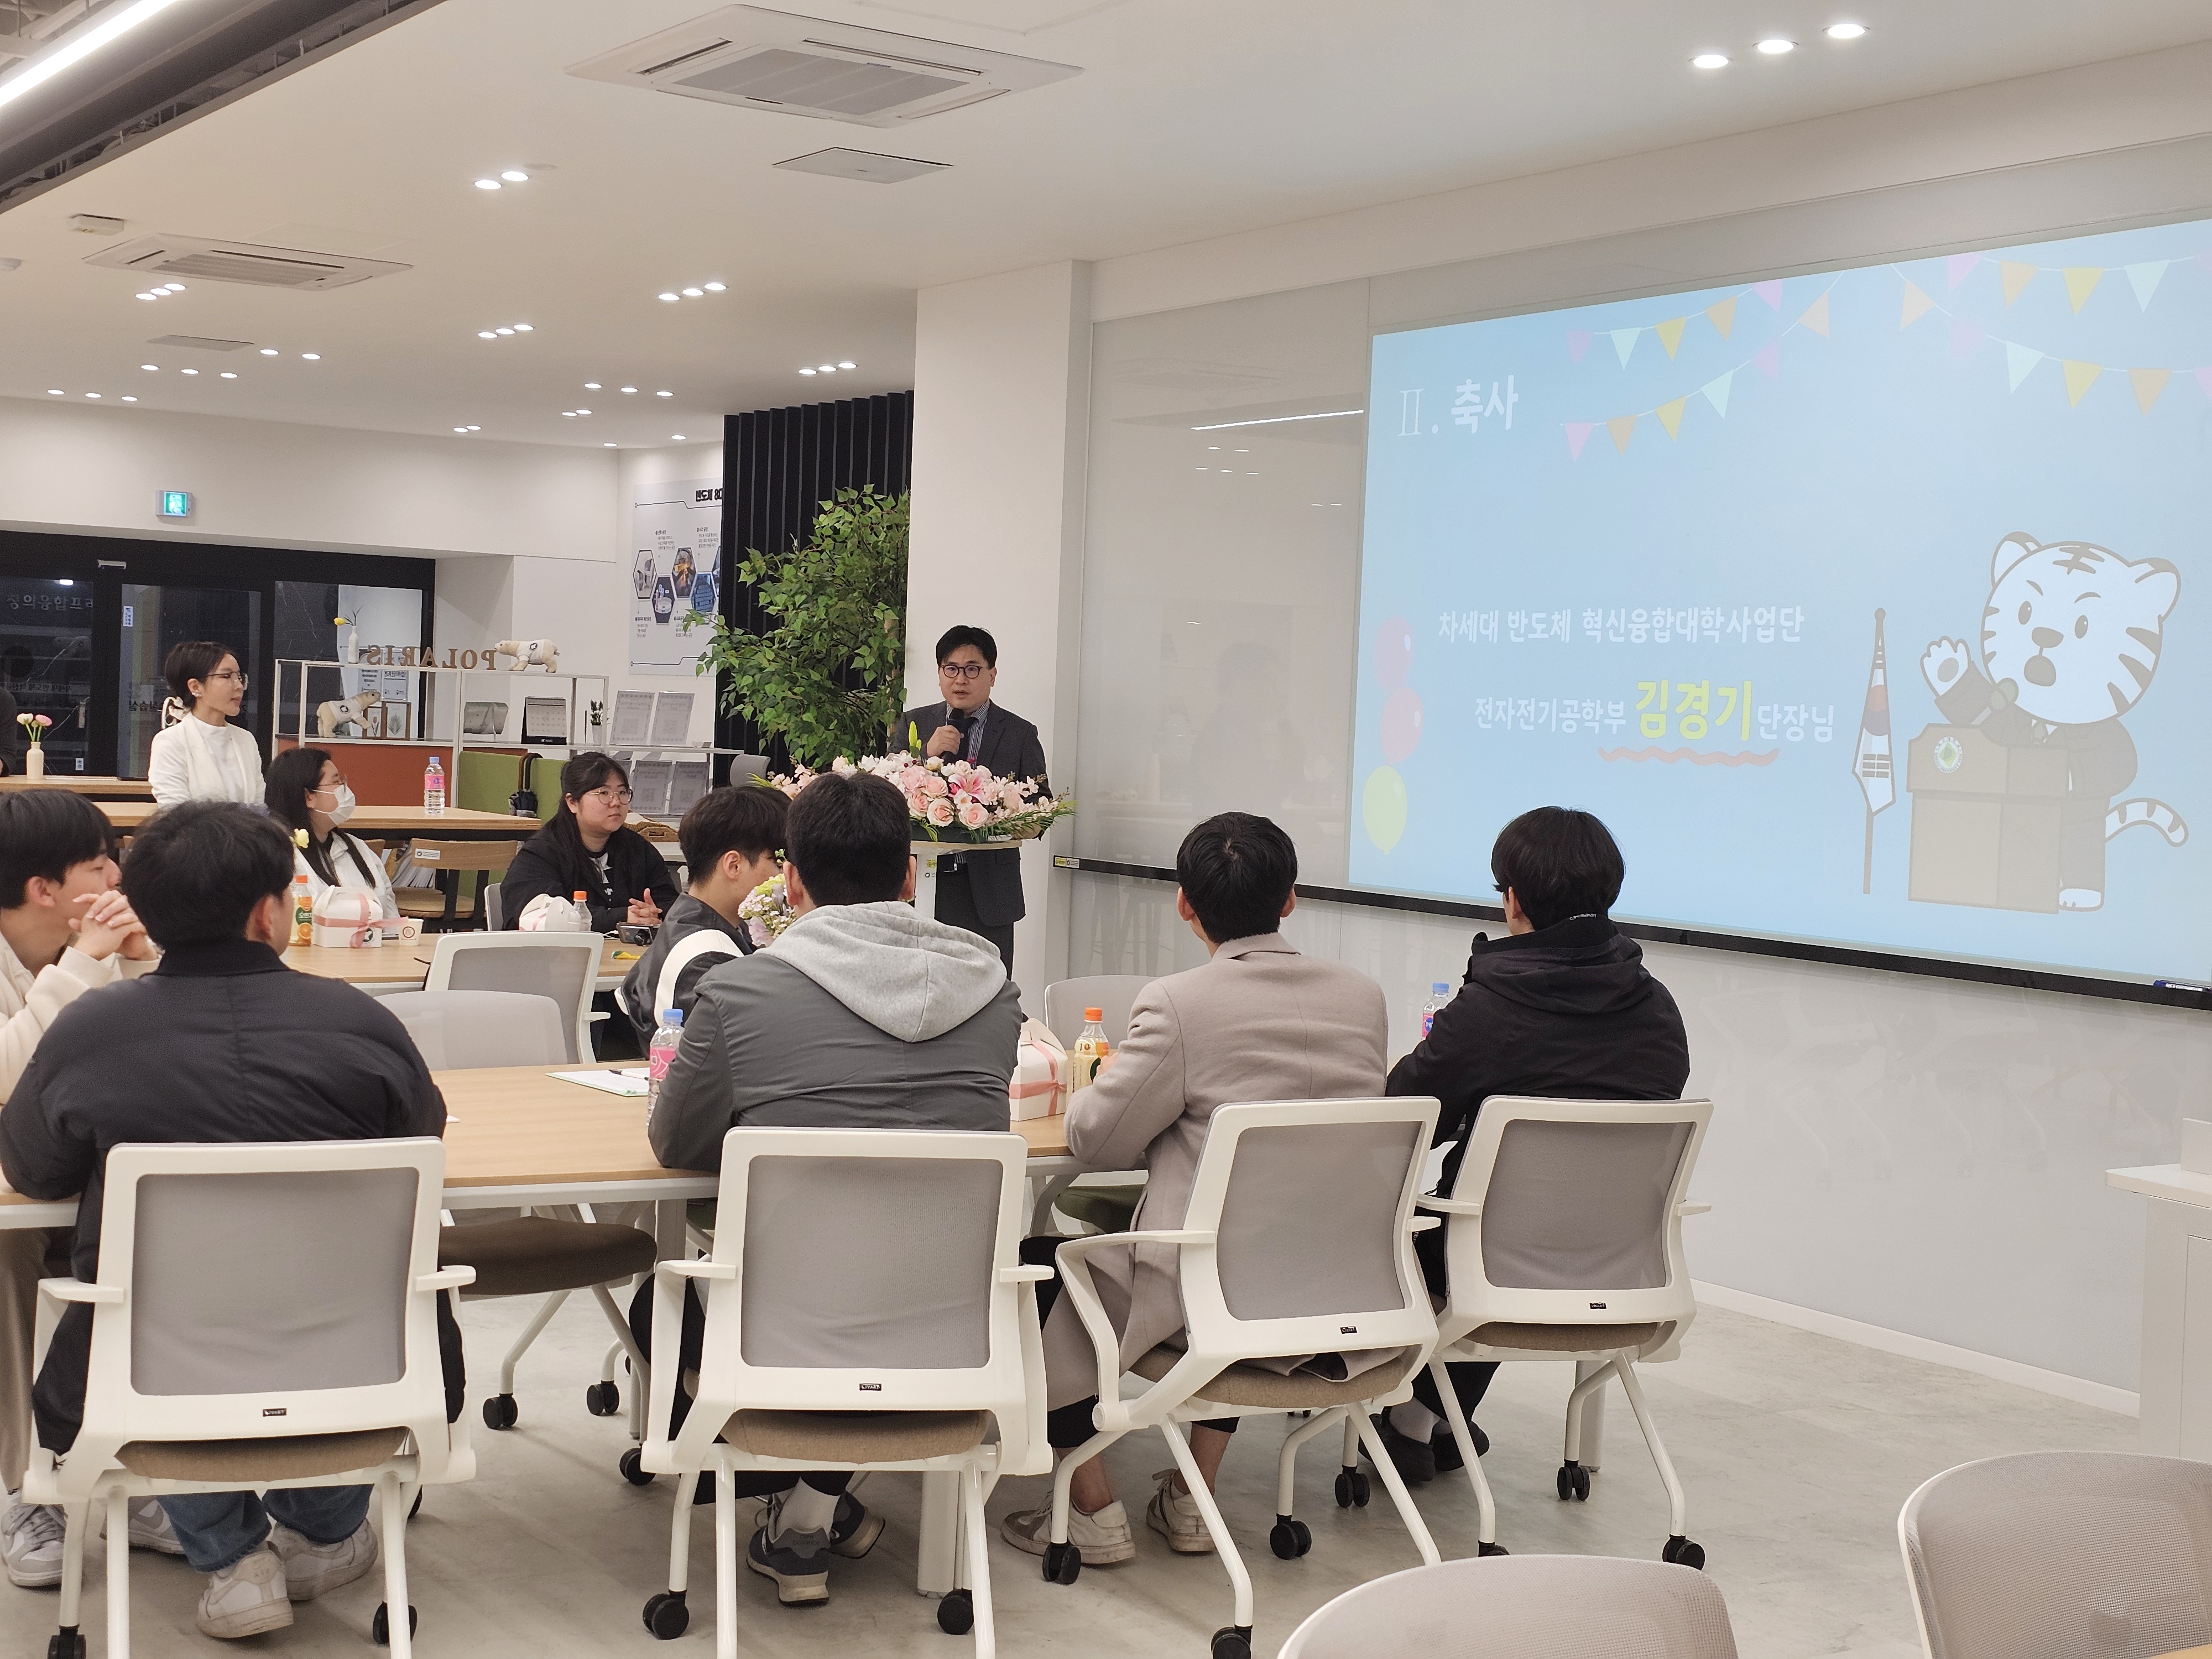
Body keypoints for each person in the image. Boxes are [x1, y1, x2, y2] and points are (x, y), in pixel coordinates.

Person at [0, 802, 454, 1641]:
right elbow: (422, 1138)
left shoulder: (93, 1031)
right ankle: (323, 1536)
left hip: (154, 1373)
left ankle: (236, 1563)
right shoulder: (359, 1021)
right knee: (327, 1311)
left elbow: (31, 1170)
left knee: (170, 1326)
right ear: (267, 912)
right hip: (357, 1363)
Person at [645, 769, 1021, 1608]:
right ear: (910, 877)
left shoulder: (739, 993)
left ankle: (797, 1502)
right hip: (950, 1330)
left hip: (786, 1332)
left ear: (791, 882)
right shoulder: (996, 997)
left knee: (658, 1303)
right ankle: (814, 1510)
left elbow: (677, 1143)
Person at [999, 812, 1391, 1566]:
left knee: (1036, 1267)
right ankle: (1192, 1498)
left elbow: (1097, 1141)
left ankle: (1091, 1509)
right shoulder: (1362, 997)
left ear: (1184, 903)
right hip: (1332, 1281)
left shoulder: (1179, 1003)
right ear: (1290, 899)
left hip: (1207, 1287)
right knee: (1251, 1237)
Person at [1377, 806, 1690, 1484]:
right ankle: (1429, 1418)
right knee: (1511, 1221)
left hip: (1493, 1261)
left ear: (1513, 900)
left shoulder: (1492, 1008)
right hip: (1618, 1261)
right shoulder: (1657, 1008)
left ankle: (1400, 1416)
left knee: (1416, 1233)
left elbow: (1404, 1115)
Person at [0, 791, 160, 1589]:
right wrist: (86, 965)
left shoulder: (92, 948)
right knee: (8, 1253)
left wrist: (142, 961)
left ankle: (140, 1469)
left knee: (162, 1226)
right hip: (16, 1193)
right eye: (100, 865)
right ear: (44, 889)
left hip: (84, 1168)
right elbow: (9, 1077)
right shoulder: (71, 958)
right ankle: (24, 1487)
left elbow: (174, 1052)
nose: (117, 879)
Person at [897, 624, 1048, 978]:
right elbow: (888, 795)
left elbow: (1042, 808)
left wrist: (997, 813)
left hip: (987, 890)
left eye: (972, 669)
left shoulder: (1020, 733)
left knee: (989, 990)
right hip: (921, 885)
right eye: (951, 669)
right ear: (939, 674)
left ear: (992, 675)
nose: (960, 679)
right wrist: (926, 755)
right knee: (919, 985)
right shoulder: (914, 723)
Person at [618, 782, 786, 1049]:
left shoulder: (689, 921)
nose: (786, 875)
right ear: (734, 865)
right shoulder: (708, 958)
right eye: (778, 863)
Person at [499, 752, 676, 933]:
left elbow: (671, 903)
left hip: (628, 950)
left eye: (622, 792)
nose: (616, 802)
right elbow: (543, 916)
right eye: (604, 793)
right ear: (573, 803)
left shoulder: (638, 850)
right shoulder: (540, 854)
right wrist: (621, 918)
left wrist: (654, 913)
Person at [263, 746, 398, 928]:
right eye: (336, 782)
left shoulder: (358, 848)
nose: (345, 789)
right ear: (308, 797)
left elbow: (391, 918)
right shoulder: (280, 857)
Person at [146, 641, 262, 805]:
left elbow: (259, 806)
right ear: (195, 687)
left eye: (239, 677)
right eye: (226, 676)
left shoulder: (246, 740)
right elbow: (175, 811)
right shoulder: (171, 742)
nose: (238, 686)